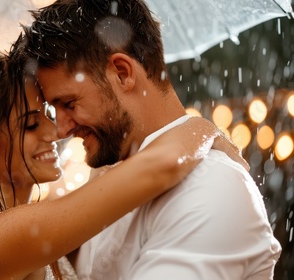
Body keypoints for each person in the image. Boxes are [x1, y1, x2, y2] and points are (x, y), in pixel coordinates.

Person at [19, 0, 282, 279]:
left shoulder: (211, 184)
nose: (61, 130)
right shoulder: (111, 184)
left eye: (69, 103)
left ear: (122, 73)